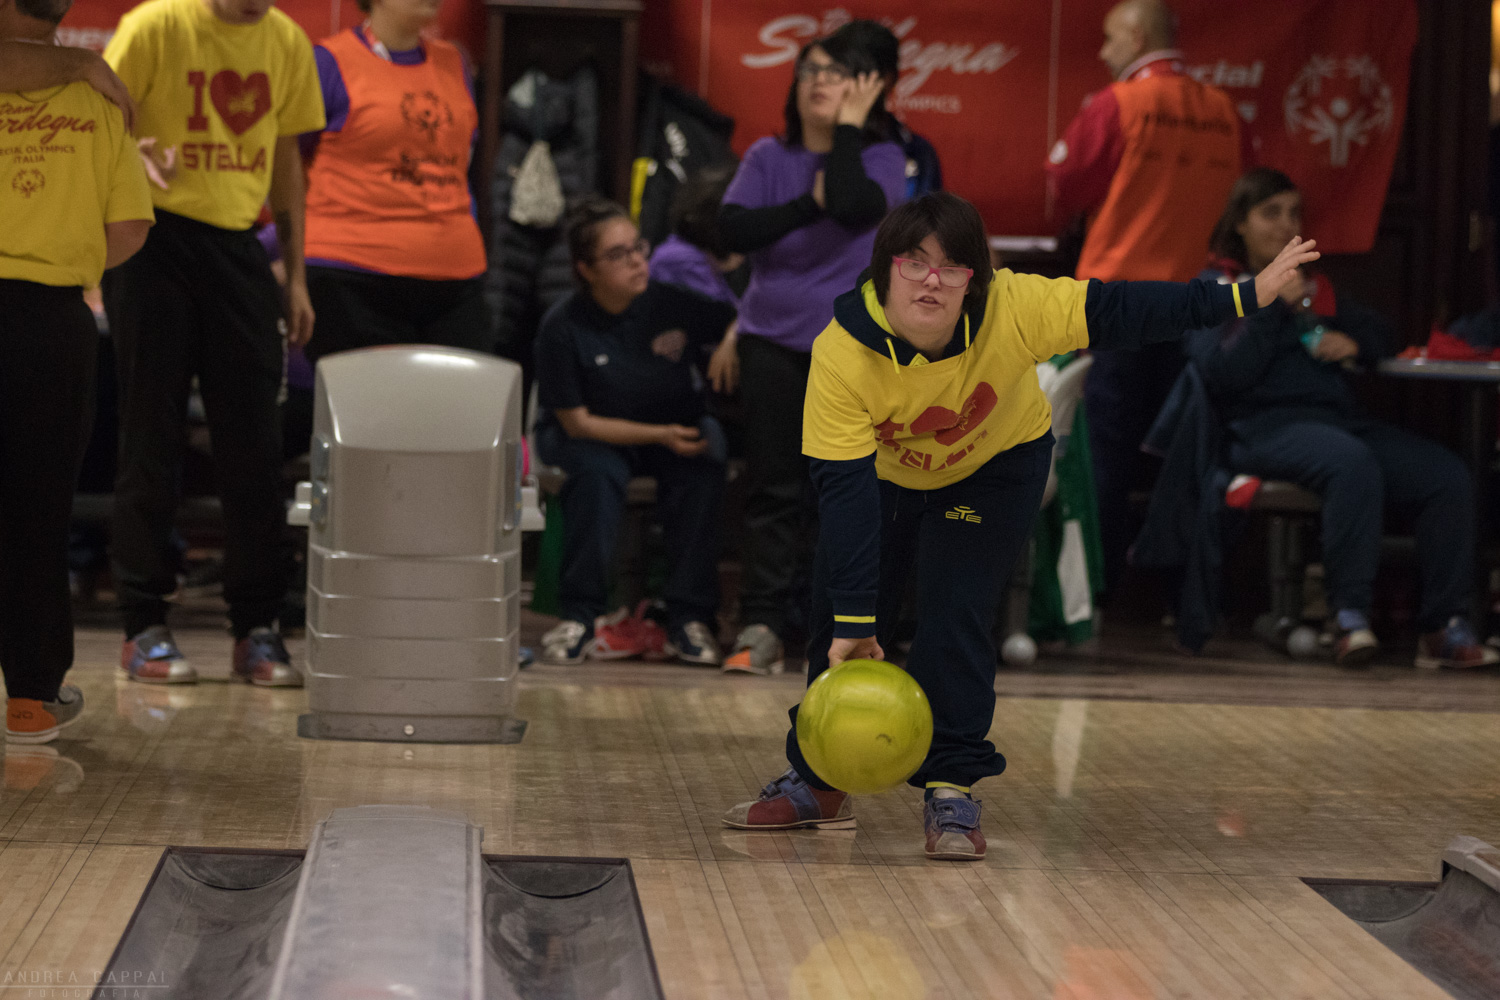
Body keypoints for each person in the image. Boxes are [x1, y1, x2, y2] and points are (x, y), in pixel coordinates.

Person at [723, 191, 1317, 859]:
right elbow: (845, 495)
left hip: (993, 468)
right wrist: (857, 622)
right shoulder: (841, 351)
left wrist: (1243, 297)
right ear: (884, 268)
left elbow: (1127, 310)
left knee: (956, 613)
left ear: (976, 277)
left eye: (952, 268)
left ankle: (951, 788)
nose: (931, 281)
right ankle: (820, 779)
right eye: (913, 263)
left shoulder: (1016, 307)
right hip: (884, 480)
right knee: (839, 615)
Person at [1190, 169, 1497, 670]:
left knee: (1445, 476)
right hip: (1258, 429)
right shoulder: (1217, 287)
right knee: (1350, 463)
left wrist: (1355, 343)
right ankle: (1348, 618)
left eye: (1293, 213)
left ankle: (1443, 627)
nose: (1286, 224)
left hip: (1335, 423)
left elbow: (1385, 333)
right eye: (1271, 214)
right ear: (1239, 224)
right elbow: (1224, 373)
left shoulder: (1317, 289)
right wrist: (1269, 308)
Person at [103, 0, 325, 686]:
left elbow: (287, 157)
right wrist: (129, 152)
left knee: (254, 446)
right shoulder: (156, 26)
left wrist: (295, 274)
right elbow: (98, 121)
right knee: (150, 437)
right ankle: (143, 624)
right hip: (152, 241)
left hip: (237, 246)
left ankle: (257, 627)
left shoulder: (287, 41)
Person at [717, 24, 906, 676]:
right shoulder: (769, 156)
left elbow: (856, 206)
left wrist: (848, 133)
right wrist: (806, 202)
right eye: (808, 72)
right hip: (772, 341)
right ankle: (762, 622)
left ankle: (835, 626)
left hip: (853, 349)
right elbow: (734, 227)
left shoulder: (880, 156)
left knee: (844, 490)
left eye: (835, 73)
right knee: (772, 489)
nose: (818, 82)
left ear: (864, 91)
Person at [1047, 0, 1246, 600]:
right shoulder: (1223, 111)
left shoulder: (1119, 104)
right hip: (1197, 305)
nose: (1104, 53)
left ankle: (1100, 592)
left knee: (1101, 448)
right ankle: (1177, 594)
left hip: (1117, 302)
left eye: (1109, 39)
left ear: (1135, 35)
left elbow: (1064, 184)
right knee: (1183, 451)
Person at [1, 0, 153, 742]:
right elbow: (128, 229)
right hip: (48, 319)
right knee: (36, 512)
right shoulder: (95, 101)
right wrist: (64, 249)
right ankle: (29, 700)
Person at [534, 199, 738, 666]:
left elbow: (740, 316)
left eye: (638, 248)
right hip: (592, 435)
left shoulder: (668, 302)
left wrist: (730, 341)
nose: (637, 261)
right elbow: (576, 421)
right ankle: (581, 615)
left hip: (671, 429)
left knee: (705, 457)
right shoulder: (563, 326)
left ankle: (689, 617)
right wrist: (660, 434)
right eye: (619, 254)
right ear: (586, 269)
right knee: (597, 474)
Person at [298, 0, 489, 363]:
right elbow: (288, 165)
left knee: (459, 412)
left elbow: (462, 167)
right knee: (370, 415)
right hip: (351, 275)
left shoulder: (454, 63)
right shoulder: (329, 61)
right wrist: (283, 253)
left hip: (454, 274)